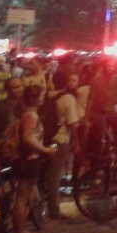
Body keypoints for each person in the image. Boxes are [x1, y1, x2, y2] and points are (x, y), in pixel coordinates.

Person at [12, 85, 57, 233]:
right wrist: (45, 150)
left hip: (29, 159)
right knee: (22, 198)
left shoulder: (27, 114)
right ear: (37, 98)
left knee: (26, 198)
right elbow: (27, 138)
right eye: (42, 95)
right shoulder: (31, 116)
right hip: (29, 160)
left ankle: (22, 232)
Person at [44, 70, 81, 219]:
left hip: (45, 139)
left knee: (46, 175)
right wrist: (76, 142)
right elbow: (73, 124)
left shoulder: (48, 96)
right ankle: (53, 210)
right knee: (55, 176)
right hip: (60, 140)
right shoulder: (68, 98)